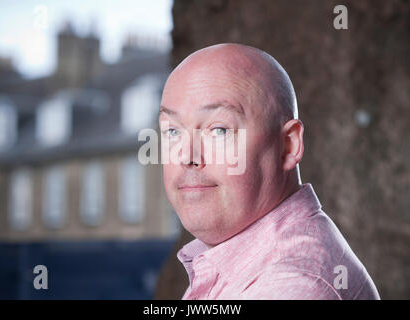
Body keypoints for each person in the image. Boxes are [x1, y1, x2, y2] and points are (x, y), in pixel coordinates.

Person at [159, 43, 380, 300]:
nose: (187, 156)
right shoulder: (241, 266)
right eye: (172, 131)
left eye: (219, 130)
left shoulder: (294, 287)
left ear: (288, 146)